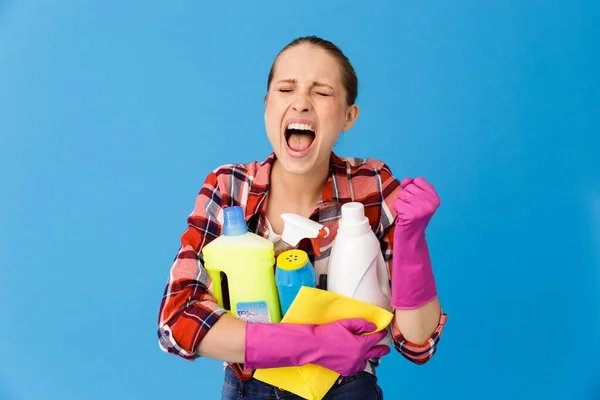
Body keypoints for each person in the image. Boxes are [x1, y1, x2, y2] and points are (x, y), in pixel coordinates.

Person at [157, 36, 448, 399]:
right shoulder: (230, 187)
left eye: (322, 92)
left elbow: (418, 344)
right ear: (267, 106)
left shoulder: (372, 186)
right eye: (285, 88)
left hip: (347, 390)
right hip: (252, 390)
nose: (301, 103)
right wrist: (310, 344)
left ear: (348, 116)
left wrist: (412, 242)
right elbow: (176, 321)